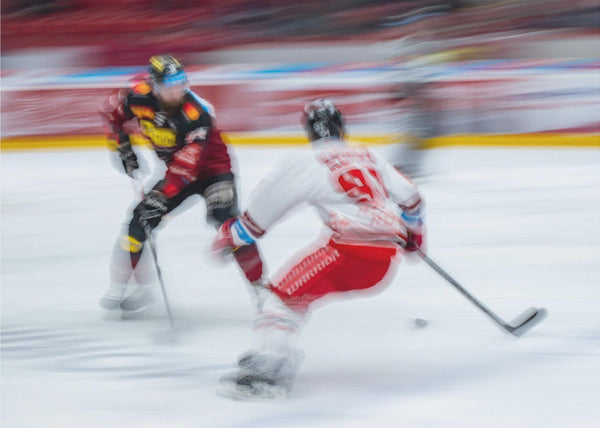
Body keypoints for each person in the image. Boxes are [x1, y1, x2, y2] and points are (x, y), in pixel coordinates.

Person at [212, 99, 425, 399]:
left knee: (279, 299)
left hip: (349, 251)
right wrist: (415, 236)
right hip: (386, 258)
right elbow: (412, 199)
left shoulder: (307, 160)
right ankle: (274, 350)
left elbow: (257, 220)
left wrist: (230, 235)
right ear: (341, 128)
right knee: (295, 295)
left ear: (310, 132)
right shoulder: (368, 154)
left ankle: (269, 369)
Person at [99, 54, 263, 314]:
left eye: (180, 84)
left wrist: (161, 195)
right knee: (138, 223)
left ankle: (262, 290)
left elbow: (188, 165)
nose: (176, 92)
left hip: (213, 172)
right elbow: (113, 112)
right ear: (154, 85)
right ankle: (139, 288)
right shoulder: (137, 97)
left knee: (227, 223)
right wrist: (123, 147)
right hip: (177, 172)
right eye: (169, 86)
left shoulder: (196, 113)